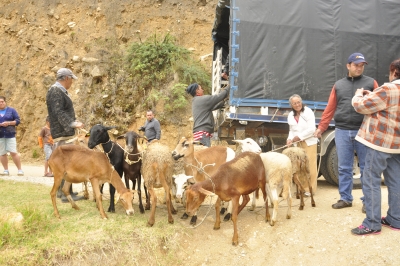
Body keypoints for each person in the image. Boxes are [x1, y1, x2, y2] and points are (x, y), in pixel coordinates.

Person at [314, 53, 379, 211]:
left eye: (362, 65)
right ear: (348, 66)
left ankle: (367, 201)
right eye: (356, 65)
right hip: (342, 130)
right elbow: (330, 108)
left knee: (365, 168)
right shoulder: (338, 85)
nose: (359, 68)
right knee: (344, 167)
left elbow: (379, 106)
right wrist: (321, 127)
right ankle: (345, 198)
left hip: (363, 131)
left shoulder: (371, 83)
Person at [350, 58, 400, 236]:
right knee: (395, 181)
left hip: (379, 143)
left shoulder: (388, 89)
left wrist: (358, 94)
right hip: (397, 146)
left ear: (394, 71)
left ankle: (372, 223)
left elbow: (361, 106)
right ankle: (395, 218)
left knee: (371, 180)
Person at [46, 67, 84, 202]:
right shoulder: (56, 91)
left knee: (66, 164)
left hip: (63, 132)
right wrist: (73, 124)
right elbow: (58, 112)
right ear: (67, 78)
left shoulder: (58, 91)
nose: (72, 82)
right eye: (71, 79)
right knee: (66, 164)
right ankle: (66, 193)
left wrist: (73, 121)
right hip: (62, 133)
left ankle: (63, 193)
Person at [286, 94, 318, 194]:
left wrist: (299, 137)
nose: (297, 105)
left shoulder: (308, 112)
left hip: (309, 142)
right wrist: (289, 139)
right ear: (291, 105)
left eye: (298, 102)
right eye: (294, 103)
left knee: (310, 166)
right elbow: (291, 130)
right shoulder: (290, 115)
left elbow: (312, 129)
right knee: (299, 166)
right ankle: (301, 188)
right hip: (297, 144)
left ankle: (310, 189)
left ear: (301, 102)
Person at [0, 96, 24, 176]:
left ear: (5, 102)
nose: (1, 103)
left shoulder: (11, 110)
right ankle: (6, 170)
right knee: (2, 153)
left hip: (10, 134)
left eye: (2, 101)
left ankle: (20, 170)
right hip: (0, 135)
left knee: (13, 152)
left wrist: (9, 123)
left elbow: (17, 121)